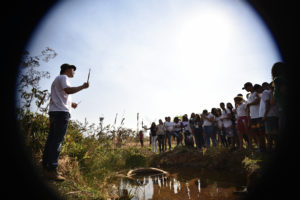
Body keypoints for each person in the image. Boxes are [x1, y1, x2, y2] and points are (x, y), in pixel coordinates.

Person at [42, 63, 89, 181]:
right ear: (67, 69)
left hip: (54, 112)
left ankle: (45, 166)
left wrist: (71, 104)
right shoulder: (64, 78)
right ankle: (52, 170)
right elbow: (68, 90)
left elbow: (58, 96)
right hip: (61, 113)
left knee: (51, 139)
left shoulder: (57, 80)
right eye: (73, 70)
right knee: (57, 140)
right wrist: (82, 87)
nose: (74, 72)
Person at [259, 82, 279, 151]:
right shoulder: (272, 92)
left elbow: (268, 104)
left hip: (269, 115)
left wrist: (264, 115)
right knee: (274, 133)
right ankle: (274, 148)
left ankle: (269, 149)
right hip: (273, 115)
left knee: (270, 134)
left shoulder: (265, 92)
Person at [243, 82, 262, 151]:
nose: (245, 89)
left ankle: (263, 147)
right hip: (253, 117)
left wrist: (249, 104)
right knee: (256, 133)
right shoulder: (250, 95)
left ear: (250, 86)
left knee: (261, 133)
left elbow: (258, 101)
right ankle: (259, 147)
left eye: (246, 88)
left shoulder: (256, 93)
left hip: (258, 116)